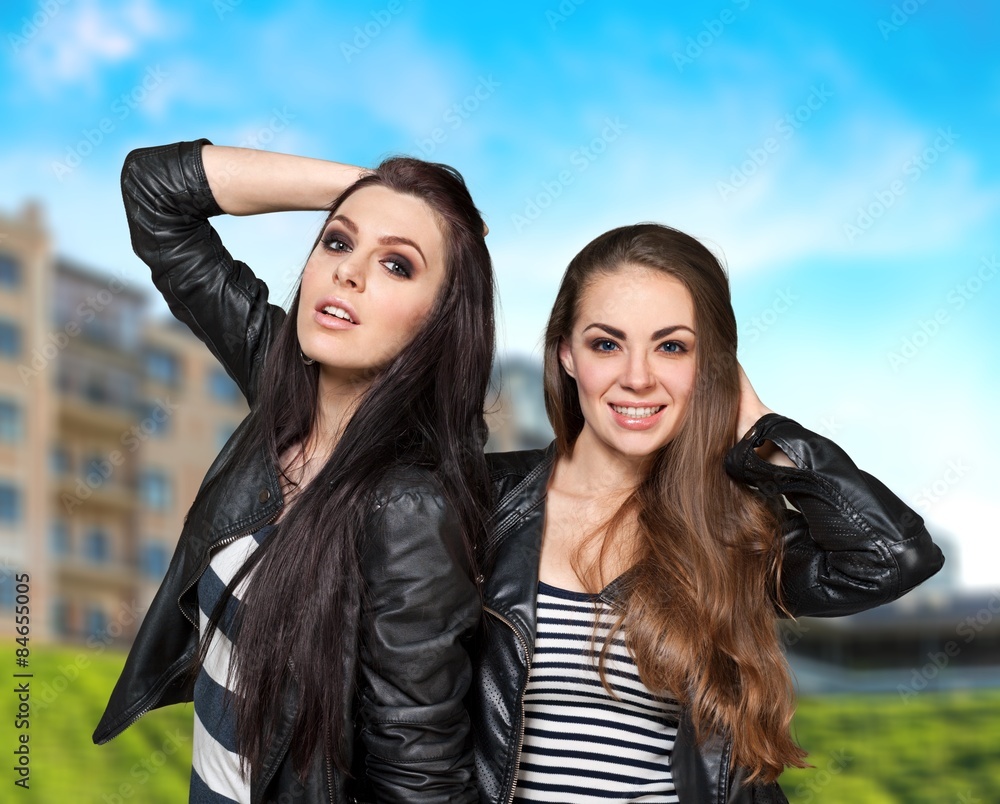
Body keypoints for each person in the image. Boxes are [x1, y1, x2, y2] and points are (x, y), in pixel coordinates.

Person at [470, 223, 944, 803]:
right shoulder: (481, 500)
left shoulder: (729, 528)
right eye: (606, 344)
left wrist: (765, 431)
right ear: (567, 353)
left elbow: (893, 556)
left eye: (672, 347)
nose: (638, 377)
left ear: (711, 364)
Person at [92, 138, 495, 803]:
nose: (349, 273)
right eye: (338, 243)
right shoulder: (279, 381)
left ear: (440, 321)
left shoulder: (413, 511)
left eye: (397, 264)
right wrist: (375, 185)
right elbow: (155, 191)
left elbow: (416, 782)